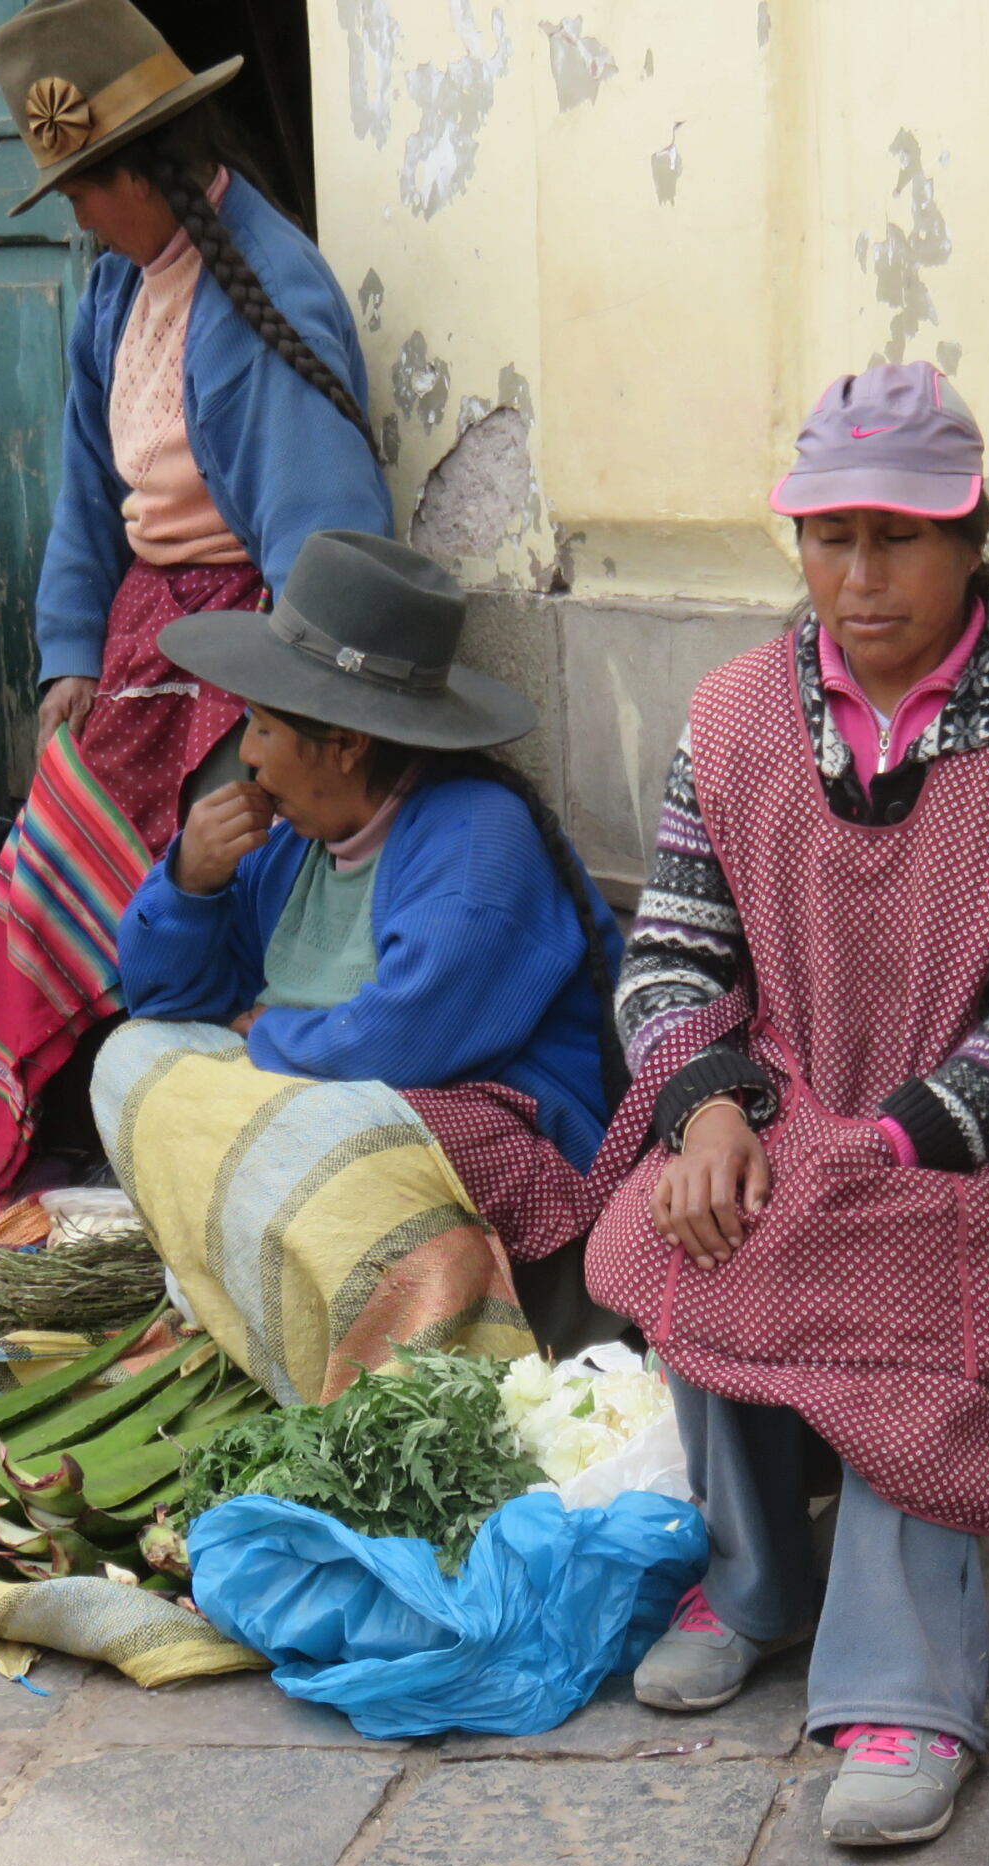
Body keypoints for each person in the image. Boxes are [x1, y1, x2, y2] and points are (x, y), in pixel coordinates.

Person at [587, 363, 989, 1848]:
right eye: (829, 538)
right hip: (784, 1095)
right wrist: (710, 1110)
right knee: (689, 1220)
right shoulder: (729, 718)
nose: (859, 576)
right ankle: (759, 1579)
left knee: (910, 1276)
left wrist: (893, 1140)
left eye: (897, 539)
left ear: (972, 535)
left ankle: (904, 1683)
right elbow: (668, 960)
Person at [0, 0, 393, 1351]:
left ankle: (145, 1207)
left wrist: (275, 714)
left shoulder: (268, 289)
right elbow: (86, 498)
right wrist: (69, 659)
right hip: (145, 647)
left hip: (242, 655)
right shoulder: (113, 291)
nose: (75, 216)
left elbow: (324, 541)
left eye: (82, 186)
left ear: (141, 168)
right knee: (33, 905)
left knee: (183, 897)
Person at [90, 529, 622, 1398]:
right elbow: (170, 1001)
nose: (247, 754)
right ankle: (278, 1317)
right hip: (325, 1094)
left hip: (493, 1129)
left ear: (343, 743)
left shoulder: (479, 837)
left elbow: (405, 1039)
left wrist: (266, 1034)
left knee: (328, 1134)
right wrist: (188, 883)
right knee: (129, 1059)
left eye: (262, 727)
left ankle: (415, 1359)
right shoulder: (292, 838)